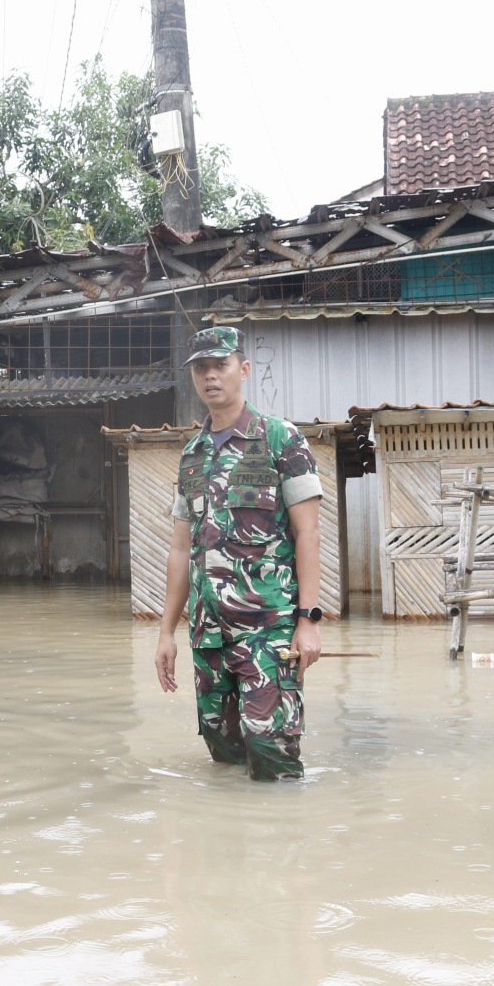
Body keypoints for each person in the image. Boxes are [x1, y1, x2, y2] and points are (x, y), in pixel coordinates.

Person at [155, 326, 325, 781]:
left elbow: (308, 534)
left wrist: (308, 621)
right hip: (208, 633)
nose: (211, 376)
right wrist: (167, 632)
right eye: (201, 368)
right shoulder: (191, 456)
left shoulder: (280, 439)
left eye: (221, 365)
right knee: (223, 751)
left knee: (271, 751)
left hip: (268, 629)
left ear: (243, 370)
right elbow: (179, 548)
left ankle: (286, 843)